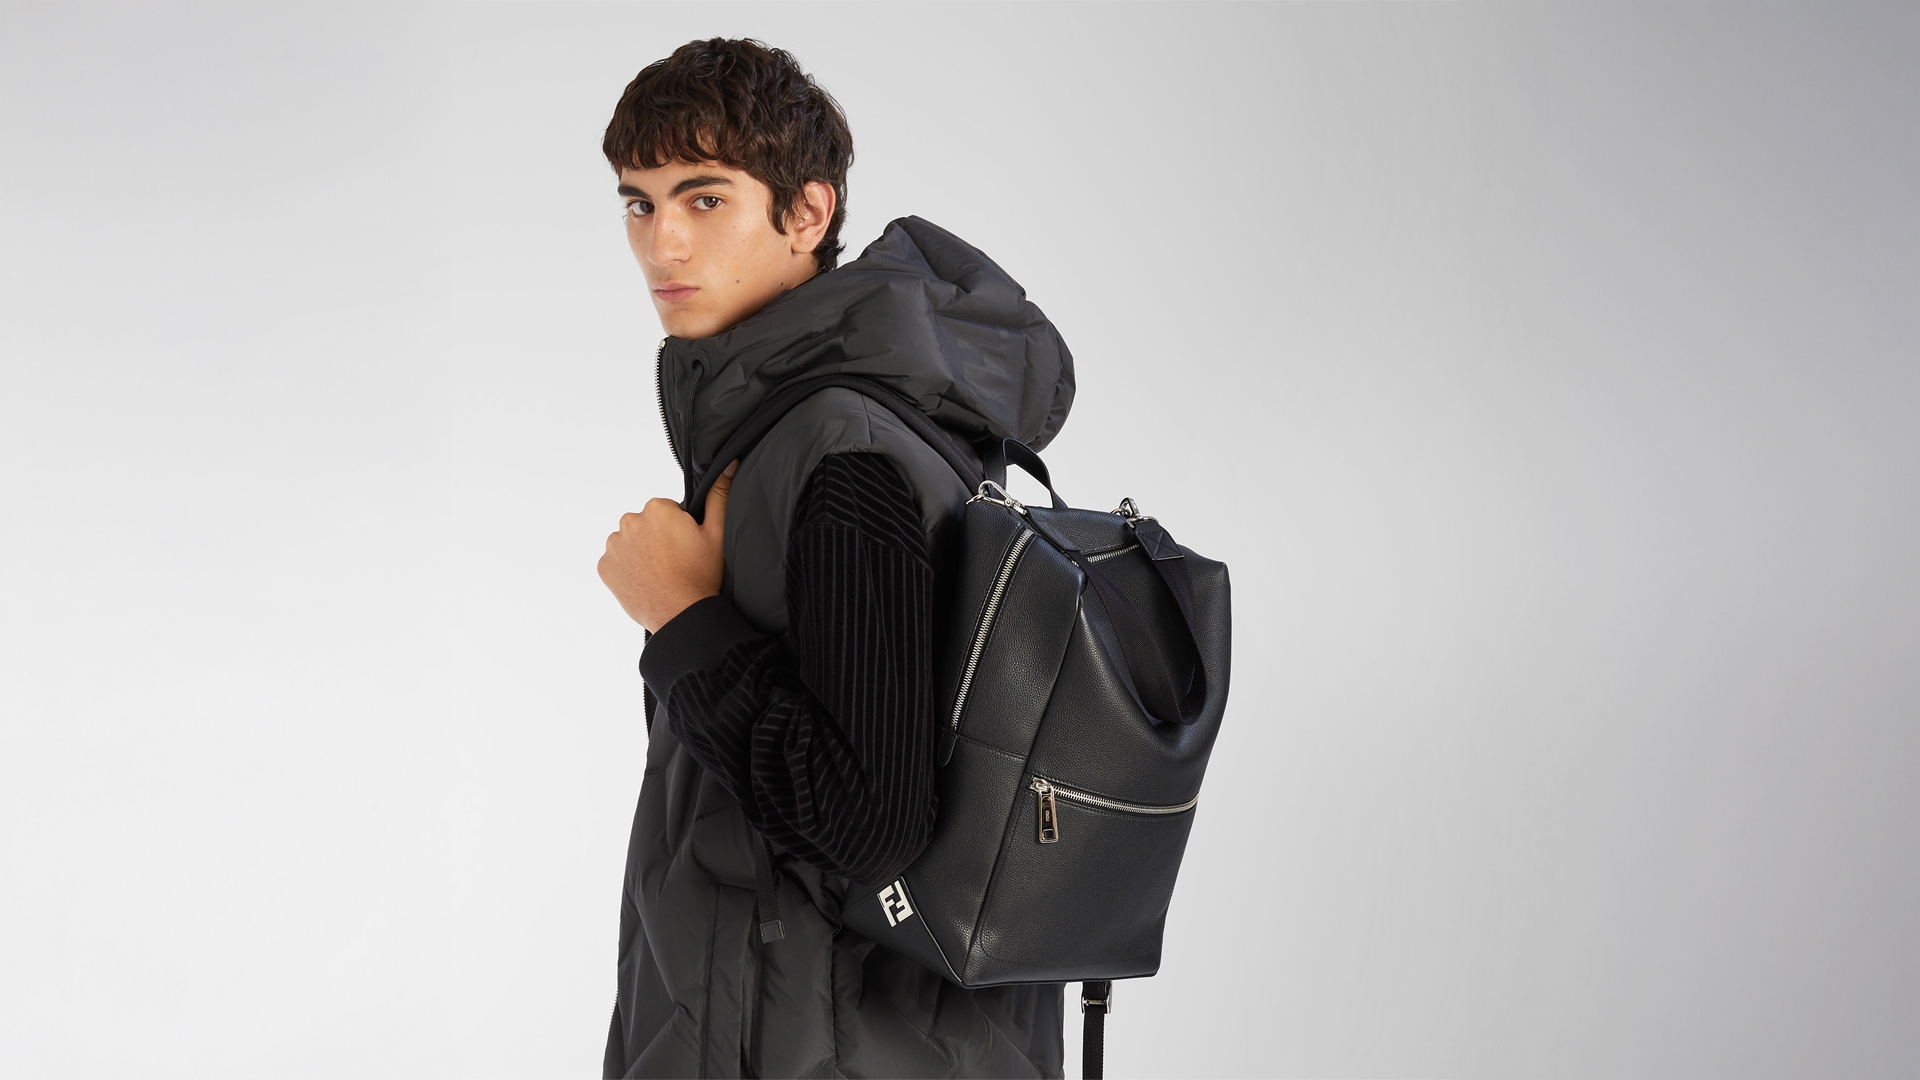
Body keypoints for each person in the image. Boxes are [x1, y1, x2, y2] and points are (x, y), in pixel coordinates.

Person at [593, 38, 1075, 1078]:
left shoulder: (841, 449)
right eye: (639, 203)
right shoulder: (834, 425)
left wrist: (683, 618)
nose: (662, 242)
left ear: (807, 214)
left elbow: (868, 822)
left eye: (705, 198)